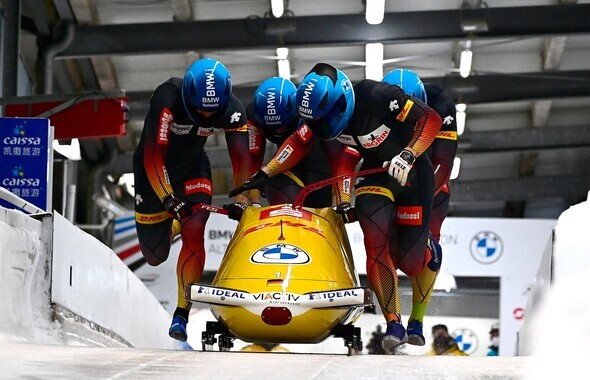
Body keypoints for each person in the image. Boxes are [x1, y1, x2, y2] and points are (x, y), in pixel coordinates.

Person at [231, 63, 443, 354]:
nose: (324, 125)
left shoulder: (377, 95)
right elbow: (305, 145)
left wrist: (408, 154)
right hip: (374, 175)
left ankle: (419, 308)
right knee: (375, 242)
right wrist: (265, 174)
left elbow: (430, 120)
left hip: (414, 174)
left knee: (411, 263)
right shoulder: (320, 121)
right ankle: (394, 323)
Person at [132, 58, 260, 342]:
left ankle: (181, 313)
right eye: (200, 107)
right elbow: (154, 155)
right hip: (154, 168)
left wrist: (241, 197)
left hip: (193, 165)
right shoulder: (167, 99)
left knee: (195, 227)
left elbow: (242, 160)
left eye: (212, 110)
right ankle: (171, 225)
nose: (204, 114)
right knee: (155, 256)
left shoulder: (233, 111)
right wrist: (167, 198)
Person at [382, 69, 458, 346]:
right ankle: (393, 320)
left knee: (429, 245)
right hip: (392, 175)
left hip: (428, 181)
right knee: (381, 241)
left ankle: (417, 319)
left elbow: (443, 162)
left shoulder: (441, 104)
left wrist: (419, 197)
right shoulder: (381, 101)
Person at [241, 76, 335, 207]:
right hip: (285, 164)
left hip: (318, 163)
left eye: (282, 126)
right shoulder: (253, 115)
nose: (278, 131)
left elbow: (297, 144)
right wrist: (254, 202)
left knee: (318, 202)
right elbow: (253, 157)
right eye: (272, 127)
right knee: (276, 186)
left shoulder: (308, 108)